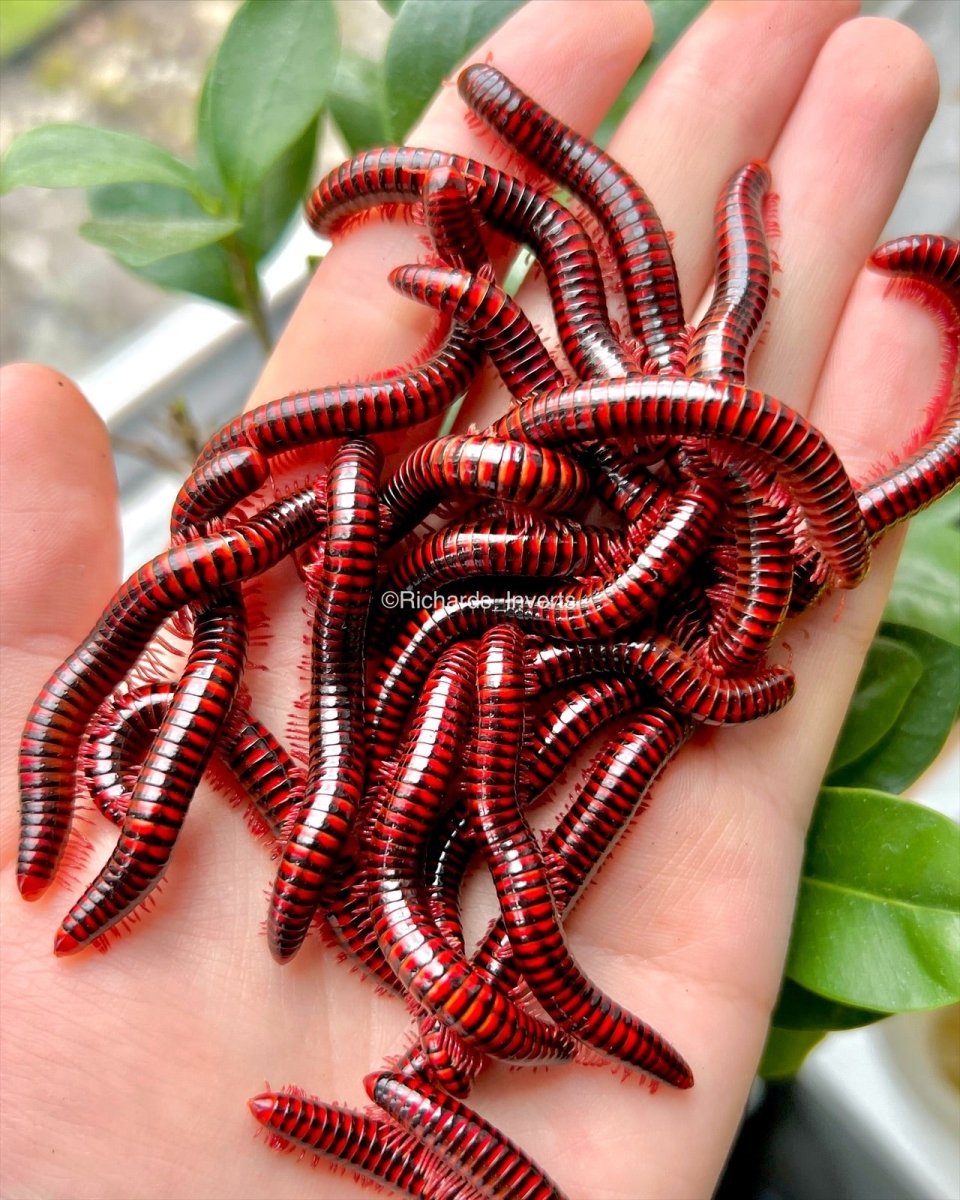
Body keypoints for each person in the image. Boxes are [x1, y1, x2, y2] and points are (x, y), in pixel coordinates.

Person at [0, 2, 943, 1196]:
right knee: (420, 738)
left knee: (447, 716)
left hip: (527, 608)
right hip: (483, 643)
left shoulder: (600, 578)